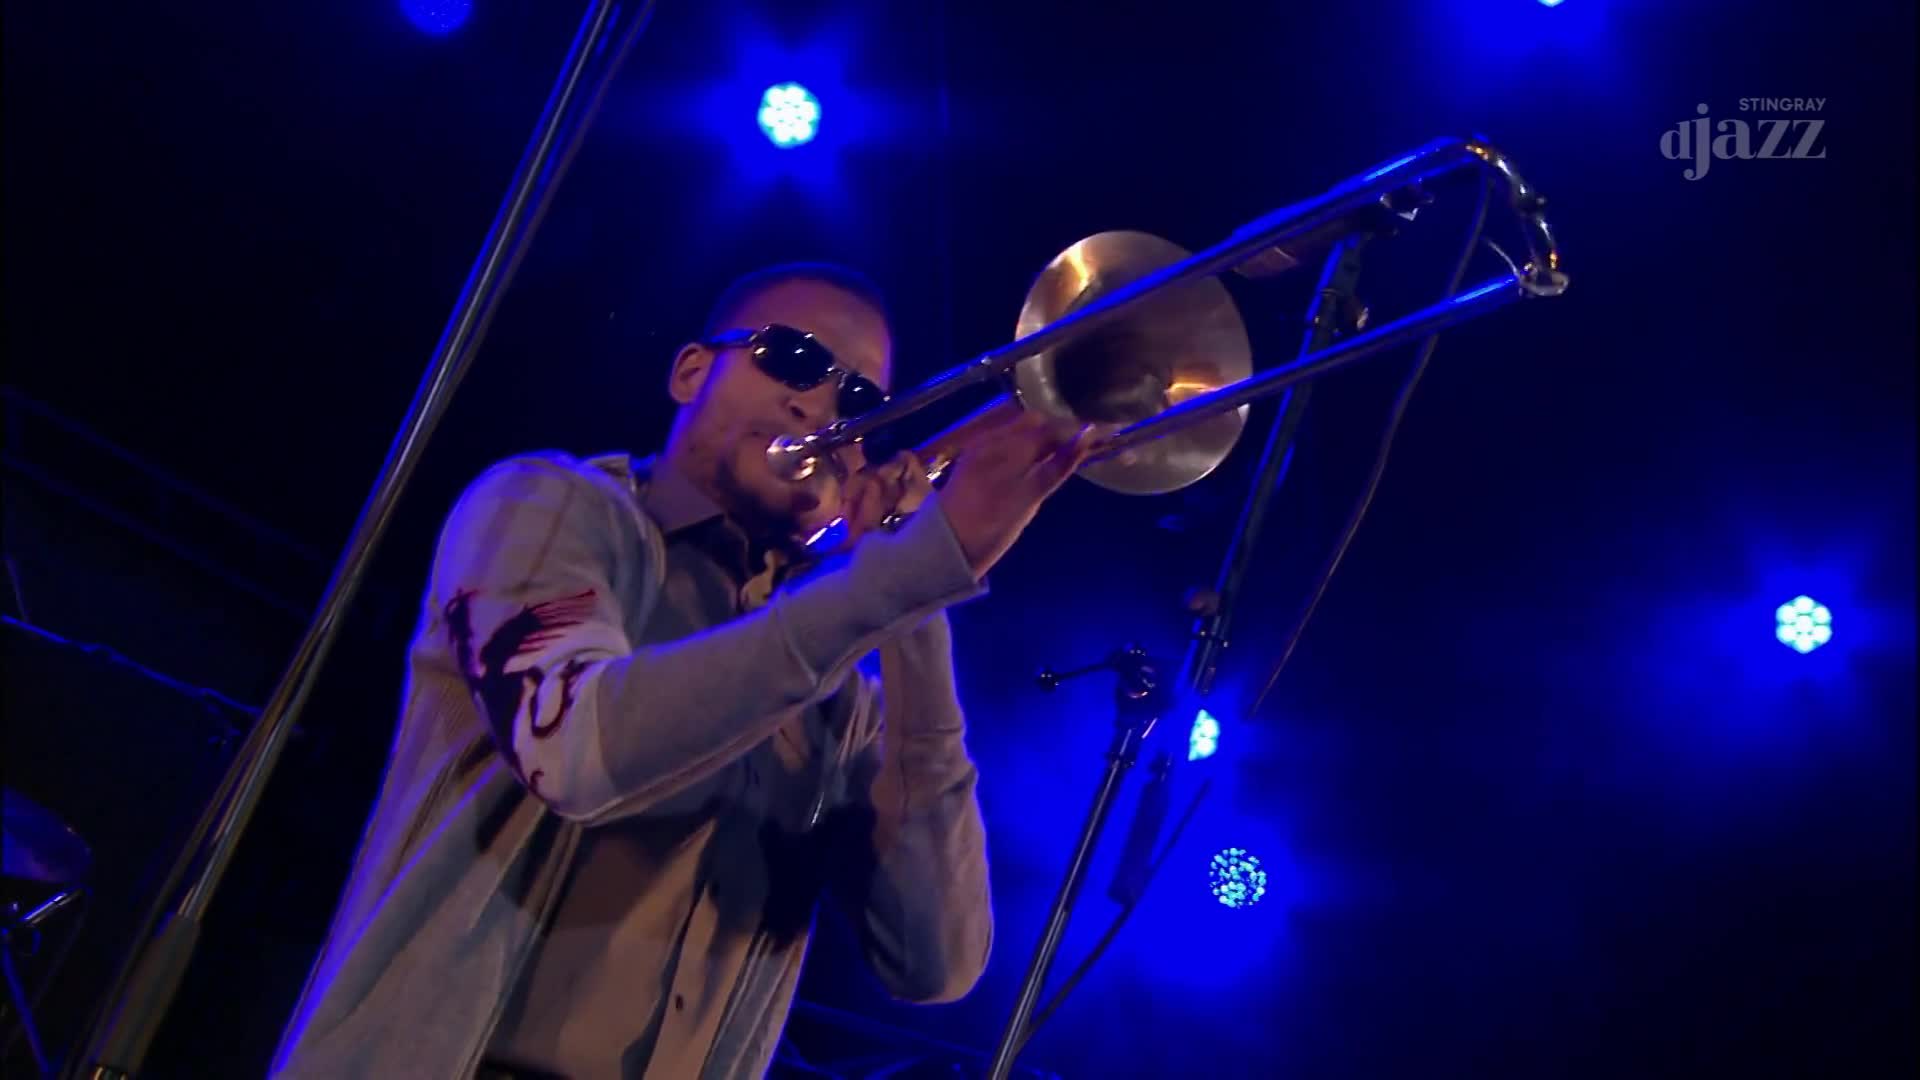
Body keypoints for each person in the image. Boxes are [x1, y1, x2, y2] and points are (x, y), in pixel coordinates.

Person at [270, 262, 1099, 1079]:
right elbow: (574, 749)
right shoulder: (548, 507)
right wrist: (906, 574)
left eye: (859, 401)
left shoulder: (840, 687)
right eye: (794, 358)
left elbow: (935, 963)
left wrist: (916, 611)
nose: (821, 405)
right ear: (691, 372)